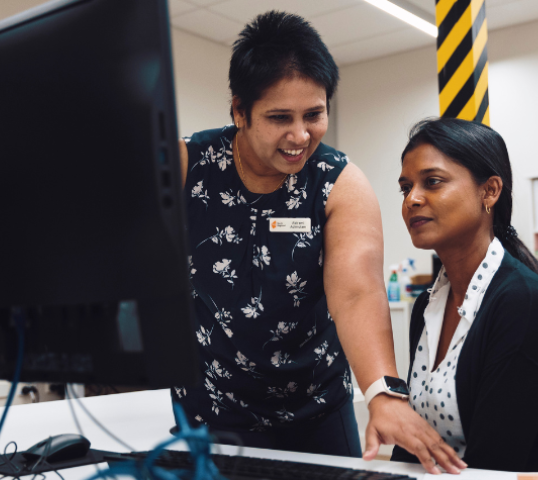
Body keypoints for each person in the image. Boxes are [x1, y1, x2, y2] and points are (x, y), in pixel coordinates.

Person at [173, 11, 464, 473]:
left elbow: (356, 290)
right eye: (279, 118)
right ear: (239, 111)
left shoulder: (338, 181)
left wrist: (383, 394)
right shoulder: (188, 164)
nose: (300, 136)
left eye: (314, 114)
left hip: (316, 412)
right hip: (213, 412)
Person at [392, 117, 538, 472]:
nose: (412, 199)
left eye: (433, 182)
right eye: (405, 187)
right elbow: (414, 441)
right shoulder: (427, 303)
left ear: (489, 191)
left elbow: (498, 462)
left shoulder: (521, 301)